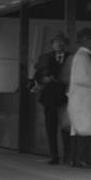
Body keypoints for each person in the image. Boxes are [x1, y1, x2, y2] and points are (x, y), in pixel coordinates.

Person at [31, 33, 71, 165]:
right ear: (52, 44)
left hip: (66, 96)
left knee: (66, 127)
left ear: (65, 44)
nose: (59, 44)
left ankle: (67, 155)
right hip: (49, 96)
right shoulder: (45, 57)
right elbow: (37, 76)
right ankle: (54, 155)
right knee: (50, 126)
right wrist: (44, 79)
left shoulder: (71, 57)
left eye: (62, 42)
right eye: (56, 42)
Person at [67, 28, 91, 167]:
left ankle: (76, 159)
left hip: (82, 100)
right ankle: (81, 159)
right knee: (84, 129)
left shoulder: (83, 56)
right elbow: (81, 78)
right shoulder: (82, 57)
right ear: (85, 40)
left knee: (80, 129)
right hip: (83, 100)